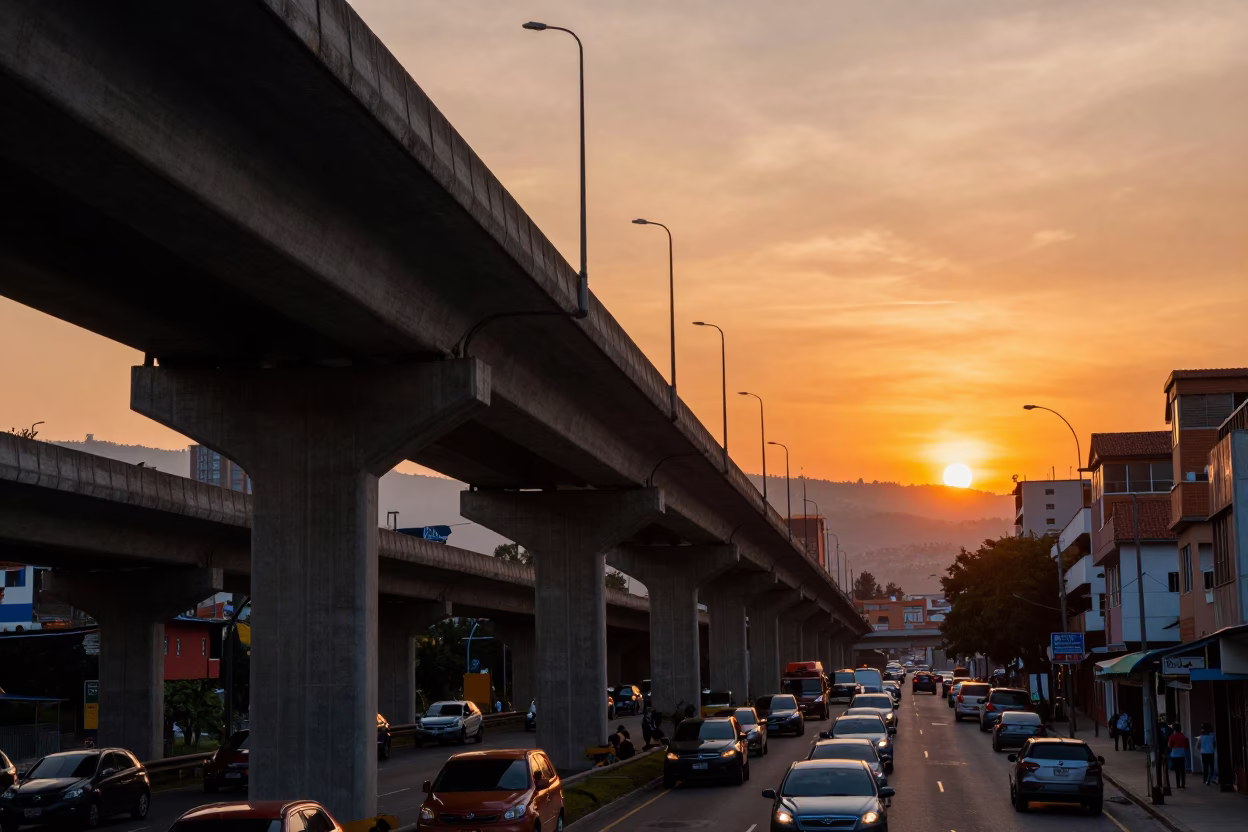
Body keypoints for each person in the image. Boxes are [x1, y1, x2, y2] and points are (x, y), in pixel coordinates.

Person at [1167, 723, 1189, 788]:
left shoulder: (1172, 736)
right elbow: (1186, 745)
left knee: (1177, 770)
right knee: (1182, 769)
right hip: (1182, 754)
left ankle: (1178, 784)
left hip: (1175, 754)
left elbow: (1169, 745)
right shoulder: (1183, 736)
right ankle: (1183, 784)